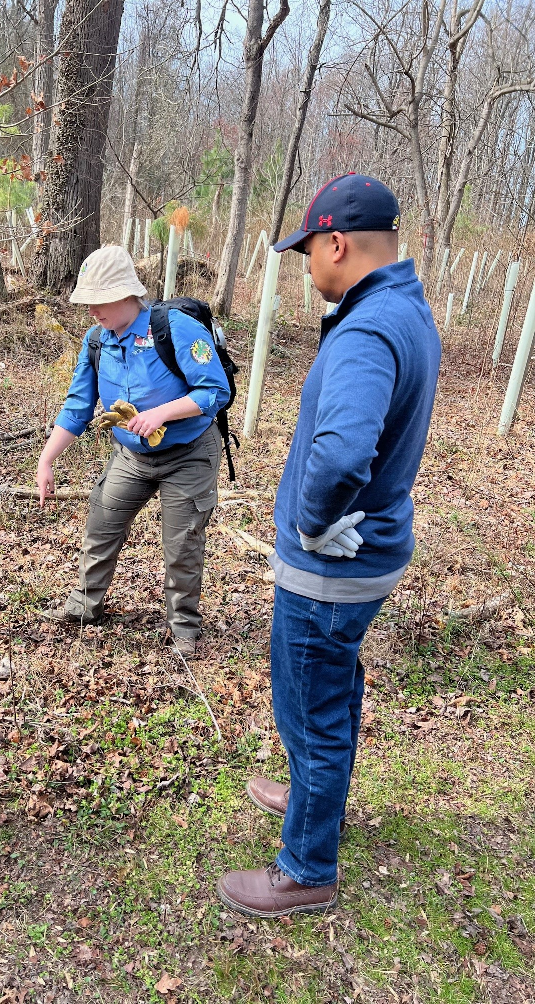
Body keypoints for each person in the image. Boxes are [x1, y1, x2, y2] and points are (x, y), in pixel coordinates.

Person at [217, 173, 441, 917]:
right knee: (332, 692)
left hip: (330, 568)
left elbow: (344, 453)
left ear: (337, 243)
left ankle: (307, 867)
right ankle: (317, 797)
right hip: (370, 555)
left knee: (311, 706)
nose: (306, 264)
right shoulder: (405, 307)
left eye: (307, 250)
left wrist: (313, 520)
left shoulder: (369, 330)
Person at [36, 245, 230, 657]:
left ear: (127, 294)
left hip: (189, 451)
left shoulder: (174, 329)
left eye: (99, 301)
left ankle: (184, 627)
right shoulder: (96, 341)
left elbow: (215, 391)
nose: (92, 311)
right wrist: (47, 459)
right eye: (86, 302)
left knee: (182, 542)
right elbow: (77, 406)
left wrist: (161, 413)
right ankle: (84, 606)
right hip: (131, 456)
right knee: (102, 524)